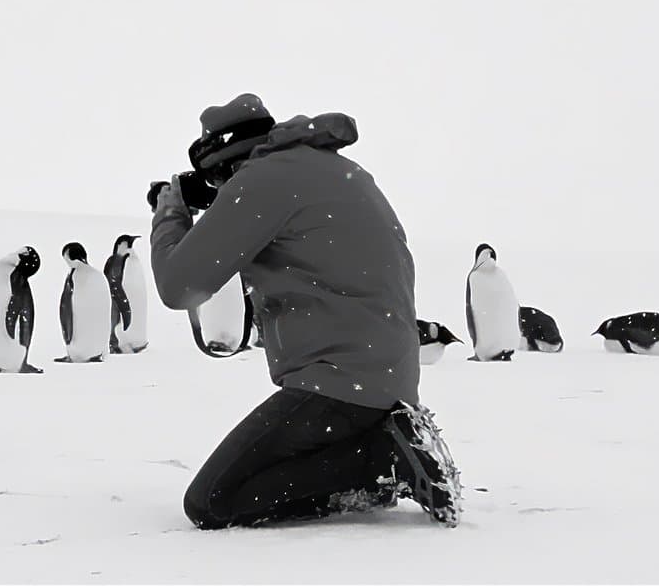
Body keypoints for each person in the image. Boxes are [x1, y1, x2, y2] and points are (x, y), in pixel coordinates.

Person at [148, 93, 462, 529]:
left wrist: (169, 214)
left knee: (213, 501)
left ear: (224, 162)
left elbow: (177, 287)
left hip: (337, 382)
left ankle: (382, 461)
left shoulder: (262, 180)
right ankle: (382, 458)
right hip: (386, 376)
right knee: (268, 472)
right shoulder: (335, 170)